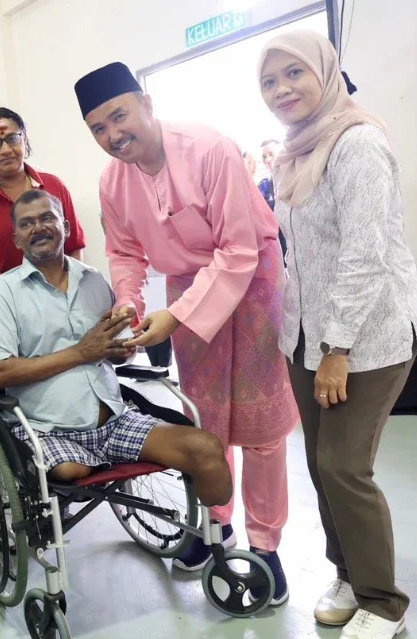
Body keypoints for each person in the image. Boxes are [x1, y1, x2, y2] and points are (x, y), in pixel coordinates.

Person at [75, 62, 297, 600]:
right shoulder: (111, 181)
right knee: (204, 418)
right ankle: (213, 526)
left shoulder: (209, 147)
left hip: (253, 281)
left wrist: (174, 316)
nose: (112, 135)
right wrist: (128, 303)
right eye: (98, 128)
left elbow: (240, 250)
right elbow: (125, 253)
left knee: (262, 427)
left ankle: (267, 548)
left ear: (146, 105)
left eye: (119, 116)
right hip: (184, 287)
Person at [259, 31, 417, 639]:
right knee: (316, 461)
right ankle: (348, 573)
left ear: (325, 73)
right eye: (269, 81)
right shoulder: (292, 152)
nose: (282, 90)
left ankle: (383, 603)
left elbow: (364, 255)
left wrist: (337, 348)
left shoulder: (358, 143)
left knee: (343, 466)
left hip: (372, 335)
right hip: (307, 334)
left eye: (293, 74)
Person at [0, 190, 232, 505]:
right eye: (27, 223)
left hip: (116, 422)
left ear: (66, 227)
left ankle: (214, 536)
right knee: (72, 469)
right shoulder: (4, 292)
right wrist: (80, 353)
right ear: (16, 238)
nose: (38, 228)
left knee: (206, 449)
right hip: (48, 430)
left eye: (47, 218)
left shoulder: (94, 280)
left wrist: (122, 349)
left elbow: (115, 348)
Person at [0, 107, 87, 321]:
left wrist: (74, 293)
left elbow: (74, 247)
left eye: (13, 138)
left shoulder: (53, 187)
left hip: (56, 313)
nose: (5, 150)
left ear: (25, 141)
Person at [258, 138, 288, 262]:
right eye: (264, 157)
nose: (268, 160)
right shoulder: (263, 187)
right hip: (281, 258)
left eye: (271, 154)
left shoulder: (296, 179)